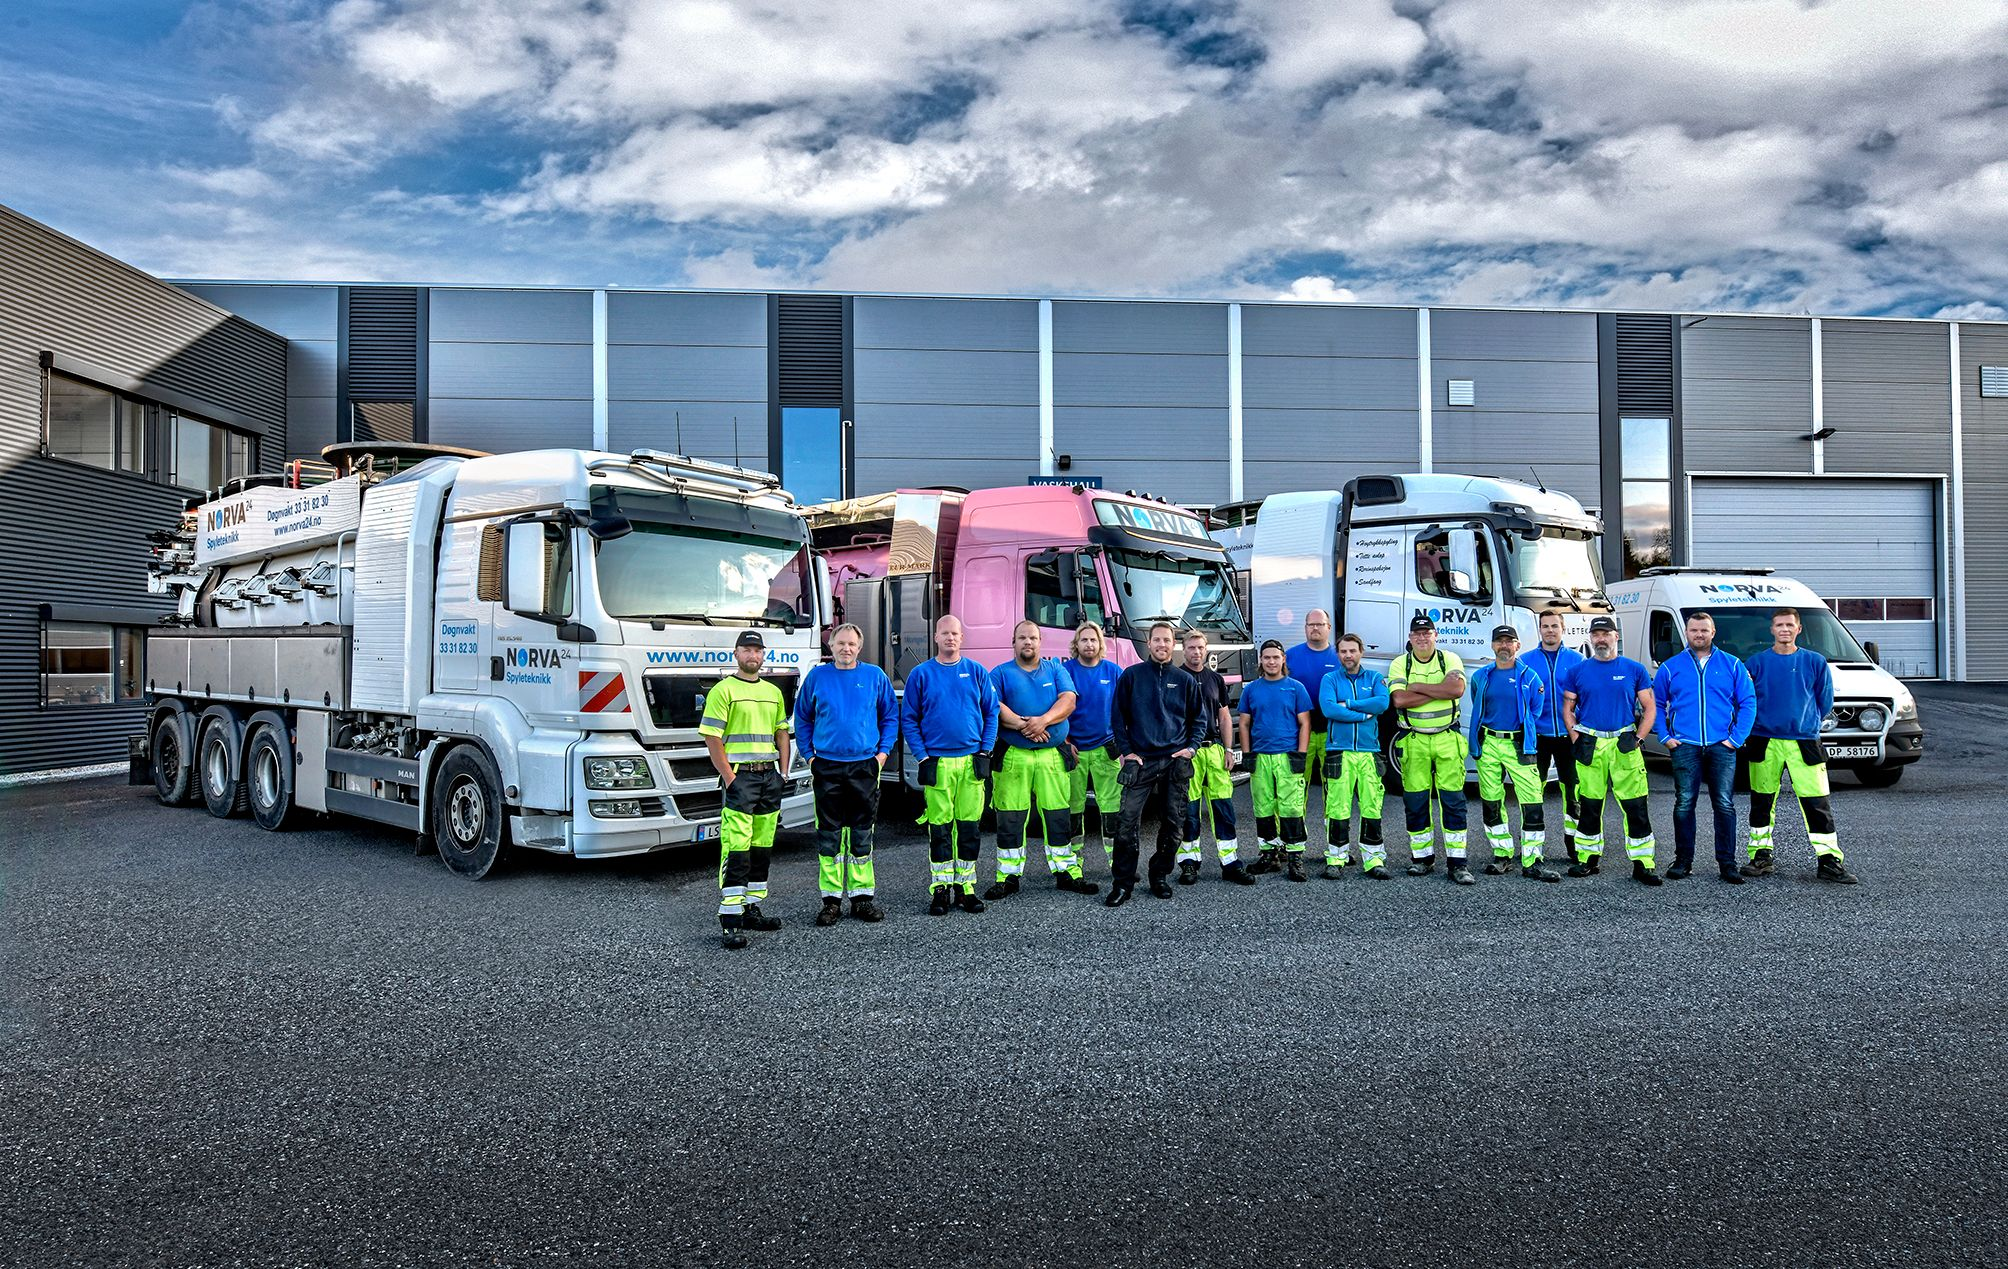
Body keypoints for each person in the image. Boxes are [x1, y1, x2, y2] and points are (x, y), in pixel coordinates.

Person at [794, 623, 899, 925]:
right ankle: (831, 901)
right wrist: (810, 757)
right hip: (826, 765)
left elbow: (890, 716)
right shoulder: (817, 678)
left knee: (862, 833)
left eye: (852, 644)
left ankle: (862, 898)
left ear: (859, 646)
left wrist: (882, 755)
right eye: (840, 644)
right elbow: (802, 718)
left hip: (865, 765)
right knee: (829, 836)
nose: (846, 649)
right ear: (831, 646)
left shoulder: (874, 677)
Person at [1743, 608, 1857, 884]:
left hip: (1804, 741)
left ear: (1798, 629)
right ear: (1771, 630)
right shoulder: (1756, 663)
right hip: (1764, 740)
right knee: (1761, 801)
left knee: (1816, 802)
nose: (1784, 629)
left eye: (1789, 625)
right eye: (1779, 625)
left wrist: (1805, 722)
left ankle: (1829, 861)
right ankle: (1761, 856)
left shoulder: (1815, 662)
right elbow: (1745, 699)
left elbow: (1825, 701)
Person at [988, 620, 1096, 898]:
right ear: (1014, 641)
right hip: (1014, 756)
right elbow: (994, 706)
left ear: (1040, 641)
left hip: (1052, 756)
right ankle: (1008, 876)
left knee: (1058, 814)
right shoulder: (1000, 673)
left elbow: (1069, 700)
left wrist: (1043, 721)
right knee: (1010, 817)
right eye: (1022, 638)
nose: (1028, 642)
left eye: (1033, 638)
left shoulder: (1055, 669)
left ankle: (1065, 871)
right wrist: (1028, 726)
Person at [901, 614, 1000, 916]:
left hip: (971, 762)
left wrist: (985, 752)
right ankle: (940, 889)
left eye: (955, 633)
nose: (950, 638)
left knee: (969, 828)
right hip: (938, 763)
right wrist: (922, 756)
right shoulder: (921, 674)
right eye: (945, 633)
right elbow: (909, 719)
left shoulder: (976, 672)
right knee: (940, 829)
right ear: (936, 637)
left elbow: (992, 713)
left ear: (962, 638)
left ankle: (966, 888)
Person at [702, 631, 793, 949]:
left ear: (764, 655)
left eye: (757, 650)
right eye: (746, 649)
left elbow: (782, 731)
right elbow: (712, 737)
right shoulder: (723, 690)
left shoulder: (773, 692)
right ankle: (729, 919)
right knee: (737, 848)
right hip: (741, 779)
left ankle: (751, 909)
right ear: (736, 653)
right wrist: (729, 778)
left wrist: (784, 772)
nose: (752, 655)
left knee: (761, 847)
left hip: (769, 777)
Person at [1652, 610, 1756, 884]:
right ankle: (1683, 861)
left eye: (1704, 630)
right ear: (1686, 633)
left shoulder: (1732, 665)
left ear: (1713, 633)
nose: (1699, 634)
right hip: (1685, 745)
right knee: (1685, 803)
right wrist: (1665, 736)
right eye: (1694, 630)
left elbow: (1748, 702)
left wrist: (1735, 738)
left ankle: (1727, 863)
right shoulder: (1670, 667)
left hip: (1722, 746)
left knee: (1724, 804)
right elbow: (1655, 704)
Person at [1105, 622, 1205, 907]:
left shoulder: (1184, 680)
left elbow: (1199, 720)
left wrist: (1192, 748)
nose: (1162, 645)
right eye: (1157, 640)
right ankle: (1123, 884)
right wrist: (1127, 752)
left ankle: (1159, 875)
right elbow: (1117, 718)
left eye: (1167, 640)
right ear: (1148, 643)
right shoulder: (1132, 676)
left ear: (1173, 644)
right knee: (1126, 823)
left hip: (1175, 761)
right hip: (1142, 760)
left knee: (1174, 824)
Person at [1561, 616, 1660, 886]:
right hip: (1591, 744)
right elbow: (1568, 709)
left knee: (1635, 805)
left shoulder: (1634, 669)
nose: (1601, 639)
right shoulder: (1578, 671)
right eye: (1596, 634)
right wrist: (1575, 738)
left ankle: (1643, 864)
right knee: (1590, 806)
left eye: (1606, 633)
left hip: (1623, 744)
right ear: (1590, 638)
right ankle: (1588, 860)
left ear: (1616, 636)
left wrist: (1639, 738)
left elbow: (1650, 708)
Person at [1466, 626, 1562, 882]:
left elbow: (1536, 709)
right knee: (1492, 800)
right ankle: (1502, 855)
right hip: (1489, 743)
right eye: (1500, 641)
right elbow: (1478, 702)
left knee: (1531, 801)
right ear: (1493, 645)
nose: (1504, 646)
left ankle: (1533, 860)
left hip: (1519, 745)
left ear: (1517, 646)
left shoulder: (1530, 677)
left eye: (1510, 641)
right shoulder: (1480, 676)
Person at [1388, 615, 1472, 884]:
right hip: (1414, 741)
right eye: (1417, 634)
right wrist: (1439, 690)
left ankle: (1457, 863)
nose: (1422, 637)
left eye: (1427, 633)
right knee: (1415, 803)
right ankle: (1422, 860)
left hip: (1447, 738)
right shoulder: (1400, 663)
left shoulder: (1450, 659)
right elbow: (1399, 699)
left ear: (1435, 635)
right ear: (1410, 638)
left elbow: (1457, 689)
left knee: (1453, 802)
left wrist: (1418, 687)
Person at [1178, 629, 1251, 885]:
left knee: (1224, 809)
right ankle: (1189, 863)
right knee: (1188, 810)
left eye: (1200, 647)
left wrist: (1230, 749)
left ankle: (1230, 863)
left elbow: (1223, 717)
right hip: (1188, 753)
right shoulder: (1176, 678)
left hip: (1214, 751)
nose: (1196, 652)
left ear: (1206, 649)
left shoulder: (1215, 680)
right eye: (1191, 647)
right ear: (1183, 649)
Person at [1317, 633, 1393, 880]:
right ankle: (1336, 858)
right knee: (1337, 806)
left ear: (1361, 652)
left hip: (1369, 751)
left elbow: (1381, 704)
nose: (1348, 655)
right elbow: (1329, 708)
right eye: (1343, 651)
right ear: (1338, 654)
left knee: (1372, 805)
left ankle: (1374, 860)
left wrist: (1347, 703)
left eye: (1352, 651)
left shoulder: (1374, 678)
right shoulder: (1329, 679)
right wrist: (1362, 714)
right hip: (1338, 750)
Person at [1239, 639, 1313, 881]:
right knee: (1263, 807)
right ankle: (1269, 854)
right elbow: (1245, 723)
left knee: (1291, 808)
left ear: (1283, 660)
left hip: (1287, 755)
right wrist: (1248, 754)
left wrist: (1301, 755)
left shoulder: (1295, 688)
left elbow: (1305, 723)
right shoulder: (1251, 689)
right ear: (1261, 660)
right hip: (1260, 756)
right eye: (1266, 657)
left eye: (1275, 657)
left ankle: (1294, 856)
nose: (1271, 661)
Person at [1063, 622, 1125, 871]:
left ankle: (1116, 861)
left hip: (1105, 750)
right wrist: (1065, 743)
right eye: (1084, 640)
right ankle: (1073, 862)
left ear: (1101, 644)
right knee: (1073, 806)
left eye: (1094, 640)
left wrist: (1122, 743)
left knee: (1111, 807)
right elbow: (1056, 710)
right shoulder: (1065, 671)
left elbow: (1124, 710)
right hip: (1074, 750)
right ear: (1076, 644)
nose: (1089, 644)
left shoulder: (1113, 672)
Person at [1524, 611, 1586, 858]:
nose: (1550, 630)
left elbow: (1585, 696)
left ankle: (1574, 847)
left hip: (1569, 736)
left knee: (1573, 793)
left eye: (1554, 626)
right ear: (1539, 629)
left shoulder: (1578, 660)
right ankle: (1533, 847)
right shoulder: (1526, 660)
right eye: (1545, 626)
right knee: (1532, 793)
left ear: (1563, 629)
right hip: (1538, 736)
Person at [1286, 610, 1342, 830]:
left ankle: (1336, 845)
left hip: (1332, 732)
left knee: (1334, 789)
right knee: (1296, 787)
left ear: (1329, 627)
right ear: (1305, 627)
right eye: (1311, 624)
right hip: (1301, 732)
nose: (1315, 628)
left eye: (1320, 624)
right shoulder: (1290, 656)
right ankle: (1293, 844)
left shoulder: (1340, 656)